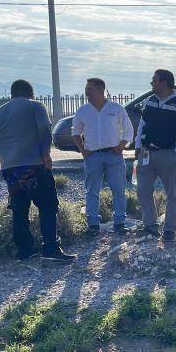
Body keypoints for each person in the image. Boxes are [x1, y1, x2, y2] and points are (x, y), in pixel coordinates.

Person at [0, 80, 75, 262]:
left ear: (12, 94)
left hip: (10, 169)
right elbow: (43, 128)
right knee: (48, 205)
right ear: (31, 94)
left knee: (19, 208)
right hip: (34, 165)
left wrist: (5, 154)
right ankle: (50, 249)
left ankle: (24, 250)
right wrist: (46, 153)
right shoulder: (36, 106)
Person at [134, 69, 176, 242]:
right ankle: (150, 226)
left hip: (168, 153)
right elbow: (142, 125)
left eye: (154, 80)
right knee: (143, 190)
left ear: (164, 82)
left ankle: (169, 229)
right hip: (146, 153)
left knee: (171, 193)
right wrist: (138, 146)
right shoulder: (150, 101)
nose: (151, 83)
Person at [72, 78, 135, 236]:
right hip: (93, 156)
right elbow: (75, 133)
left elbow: (128, 130)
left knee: (119, 190)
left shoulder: (116, 108)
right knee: (92, 191)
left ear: (101, 91)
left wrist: (121, 146)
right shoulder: (83, 111)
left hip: (114, 156)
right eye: (86, 89)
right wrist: (83, 151)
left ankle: (119, 222)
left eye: (90, 89)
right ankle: (93, 224)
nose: (87, 92)